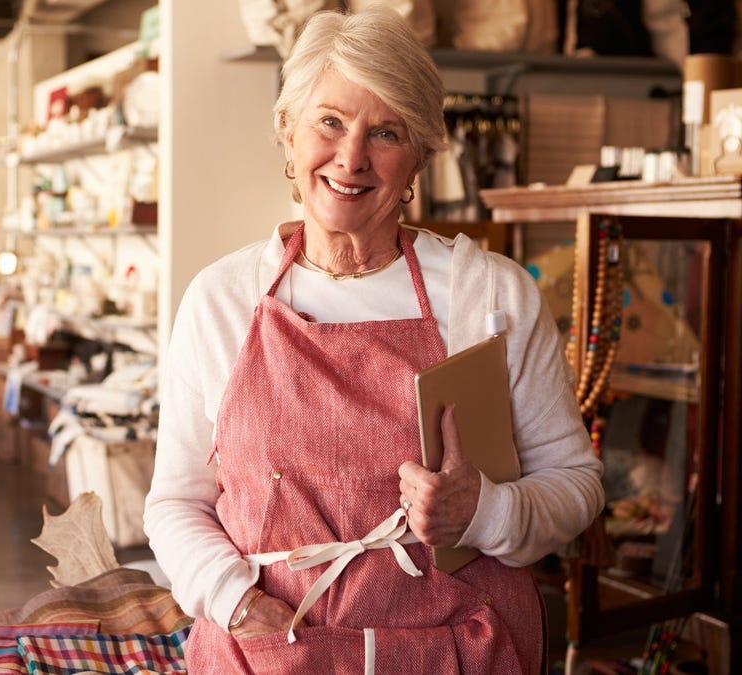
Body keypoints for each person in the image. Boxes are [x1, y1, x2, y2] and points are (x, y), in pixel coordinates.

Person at [143, 8, 604, 673]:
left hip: (459, 649)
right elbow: (175, 503)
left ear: (419, 154)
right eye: (329, 121)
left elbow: (577, 485)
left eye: (385, 131)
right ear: (287, 131)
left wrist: (486, 512)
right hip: (273, 653)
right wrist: (237, 602)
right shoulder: (222, 301)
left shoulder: (491, 298)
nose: (351, 158)